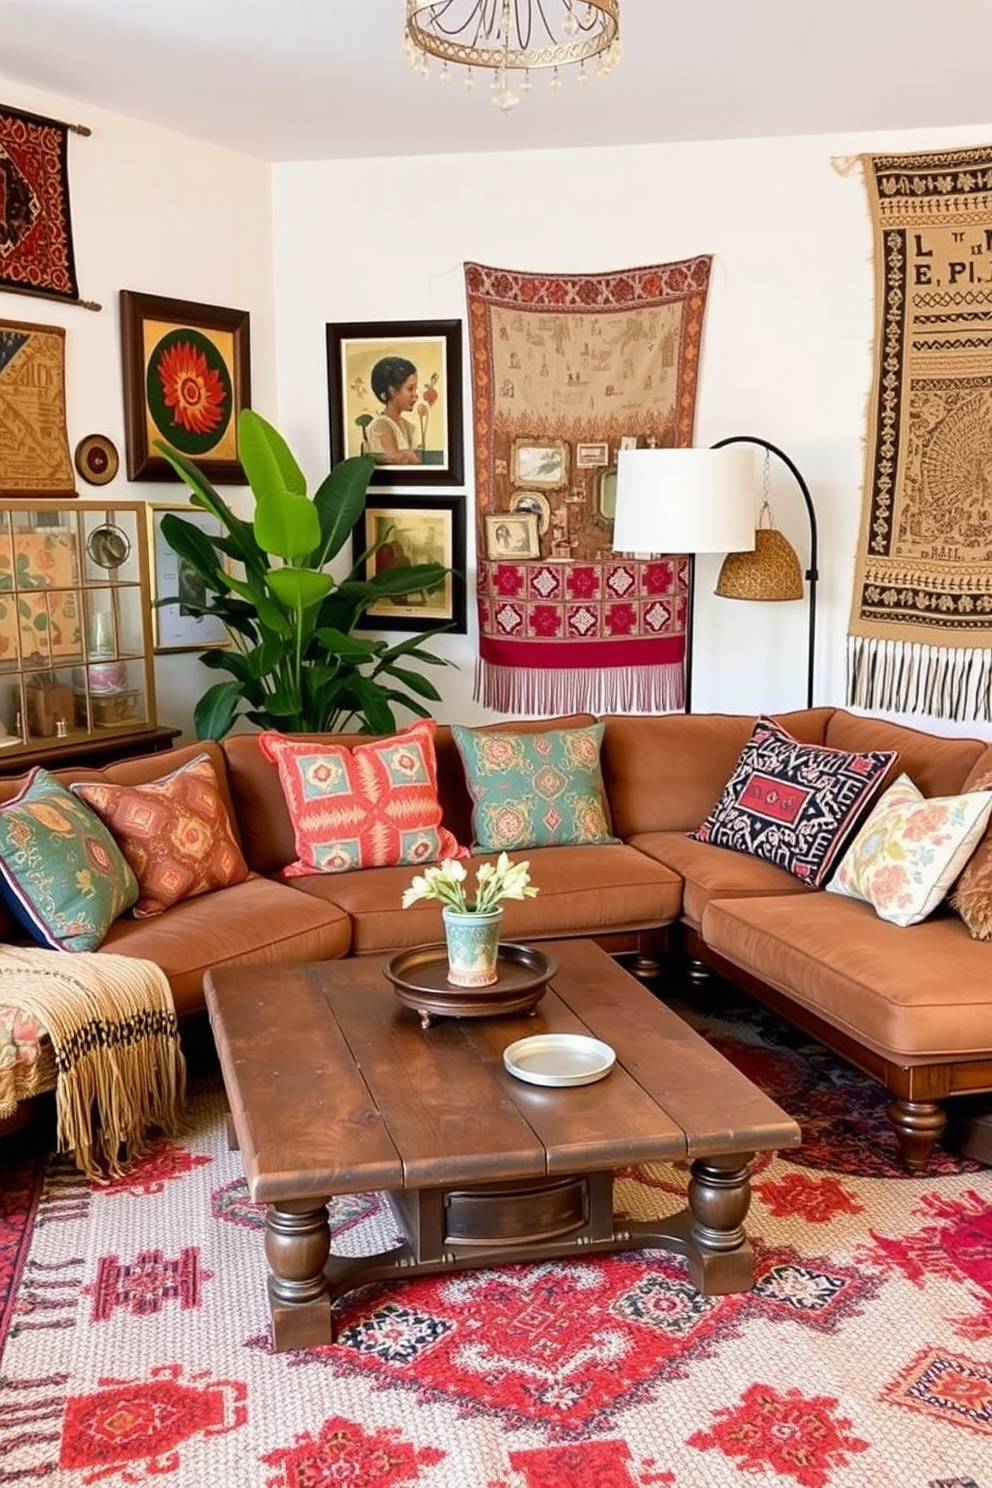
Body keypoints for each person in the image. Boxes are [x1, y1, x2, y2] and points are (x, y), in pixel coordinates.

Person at [368, 355, 421, 465]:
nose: (415, 395)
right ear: (392, 391)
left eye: (415, 389)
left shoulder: (408, 426)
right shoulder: (381, 426)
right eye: (410, 389)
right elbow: (393, 462)